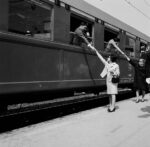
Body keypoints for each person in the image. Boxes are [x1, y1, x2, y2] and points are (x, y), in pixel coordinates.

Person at [91, 47, 120, 112]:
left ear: (111, 58)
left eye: (109, 57)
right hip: (108, 81)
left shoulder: (116, 65)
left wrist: (113, 72)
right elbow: (101, 58)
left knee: (113, 94)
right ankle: (110, 105)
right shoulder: (107, 64)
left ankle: (113, 107)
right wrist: (96, 51)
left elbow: (118, 74)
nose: (108, 58)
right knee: (109, 94)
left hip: (113, 81)